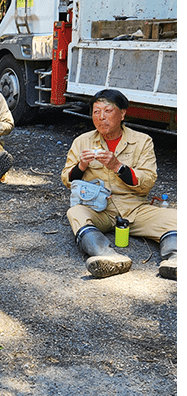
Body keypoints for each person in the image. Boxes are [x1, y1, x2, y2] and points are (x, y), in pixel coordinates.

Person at [61, 89, 177, 280]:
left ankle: (174, 259)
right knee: (75, 212)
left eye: (108, 111)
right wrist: (81, 165)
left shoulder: (142, 141)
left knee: (177, 218)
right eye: (96, 112)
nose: (101, 117)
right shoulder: (82, 141)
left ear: (122, 113)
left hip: (135, 208)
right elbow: (67, 180)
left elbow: (147, 181)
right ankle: (107, 256)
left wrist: (118, 167)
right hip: (98, 208)